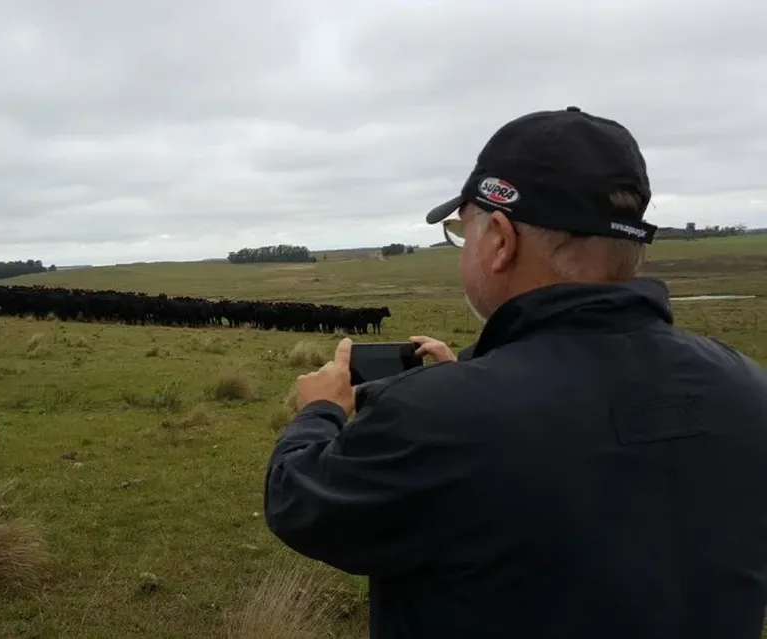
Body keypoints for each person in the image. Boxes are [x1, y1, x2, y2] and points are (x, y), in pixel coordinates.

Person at [262, 106, 767, 638]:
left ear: (501, 239)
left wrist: (320, 412)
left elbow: (301, 501)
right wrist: (475, 379)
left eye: (464, 230)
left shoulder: (440, 418)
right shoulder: (747, 390)